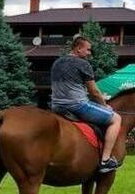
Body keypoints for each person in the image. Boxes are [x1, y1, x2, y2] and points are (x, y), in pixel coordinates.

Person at [50, 36, 122, 173]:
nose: (89, 53)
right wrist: (105, 105)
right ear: (78, 48)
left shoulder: (57, 62)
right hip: (77, 106)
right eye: (88, 50)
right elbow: (94, 91)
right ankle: (105, 160)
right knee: (116, 118)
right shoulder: (83, 64)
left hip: (57, 107)